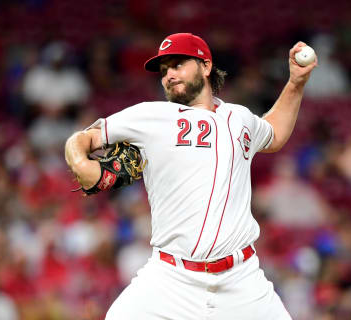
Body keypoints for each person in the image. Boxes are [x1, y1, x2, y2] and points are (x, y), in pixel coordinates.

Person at [65, 33, 317, 319]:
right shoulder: (150, 117)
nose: (169, 75)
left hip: (241, 279)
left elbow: (274, 134)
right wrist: (80, 163)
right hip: (171, 277)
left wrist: (296, 83)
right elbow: (82, 139)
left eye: (178, 64)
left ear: (206, 66)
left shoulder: (240, 118)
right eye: (164, 70)